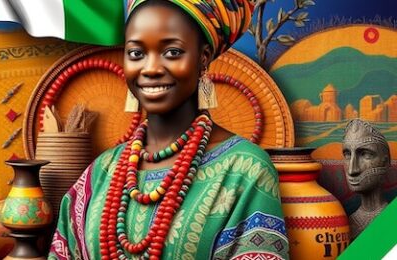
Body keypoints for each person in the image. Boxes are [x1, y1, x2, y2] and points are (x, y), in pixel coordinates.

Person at [49, 0, 289, 259]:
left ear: (203, 57)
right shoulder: (101, 172)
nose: (150, 68)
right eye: (136, 53)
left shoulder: (245, 169)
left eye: (172, 52)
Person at [342, 119, 390, 240]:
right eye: (347, 154)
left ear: (385, 163)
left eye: (365, 154)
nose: (352, 170)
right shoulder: (347, 224)